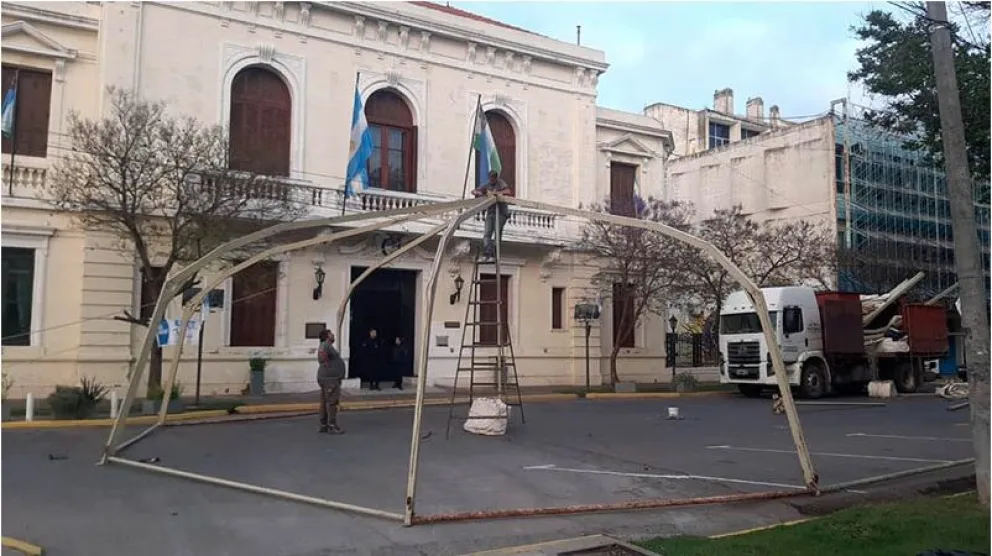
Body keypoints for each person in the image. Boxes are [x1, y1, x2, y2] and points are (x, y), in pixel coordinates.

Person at [472, 170, 510, 260]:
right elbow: (474, 191)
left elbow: (508, 191)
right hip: (491, 212)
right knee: (487, 233)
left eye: (494, 178)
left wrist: (496, 193)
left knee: (497, 232)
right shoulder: (487, 184)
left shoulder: (500, 183)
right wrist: (481, 193)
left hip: (501, 213)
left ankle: (494, 252)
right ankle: (487, 250)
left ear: (496, 178)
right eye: (491, 178)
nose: (492, 180)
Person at [316, 329, 345, 435]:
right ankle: (332, 425)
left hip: (327, 378)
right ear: (327, 336)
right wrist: (327, 364)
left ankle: (324, 425)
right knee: (332, 401)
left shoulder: (326, 345)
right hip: (330, 379)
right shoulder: (325, 345)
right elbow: (322, 354)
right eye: (331, 334)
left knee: (324, 401)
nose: (333, 335)